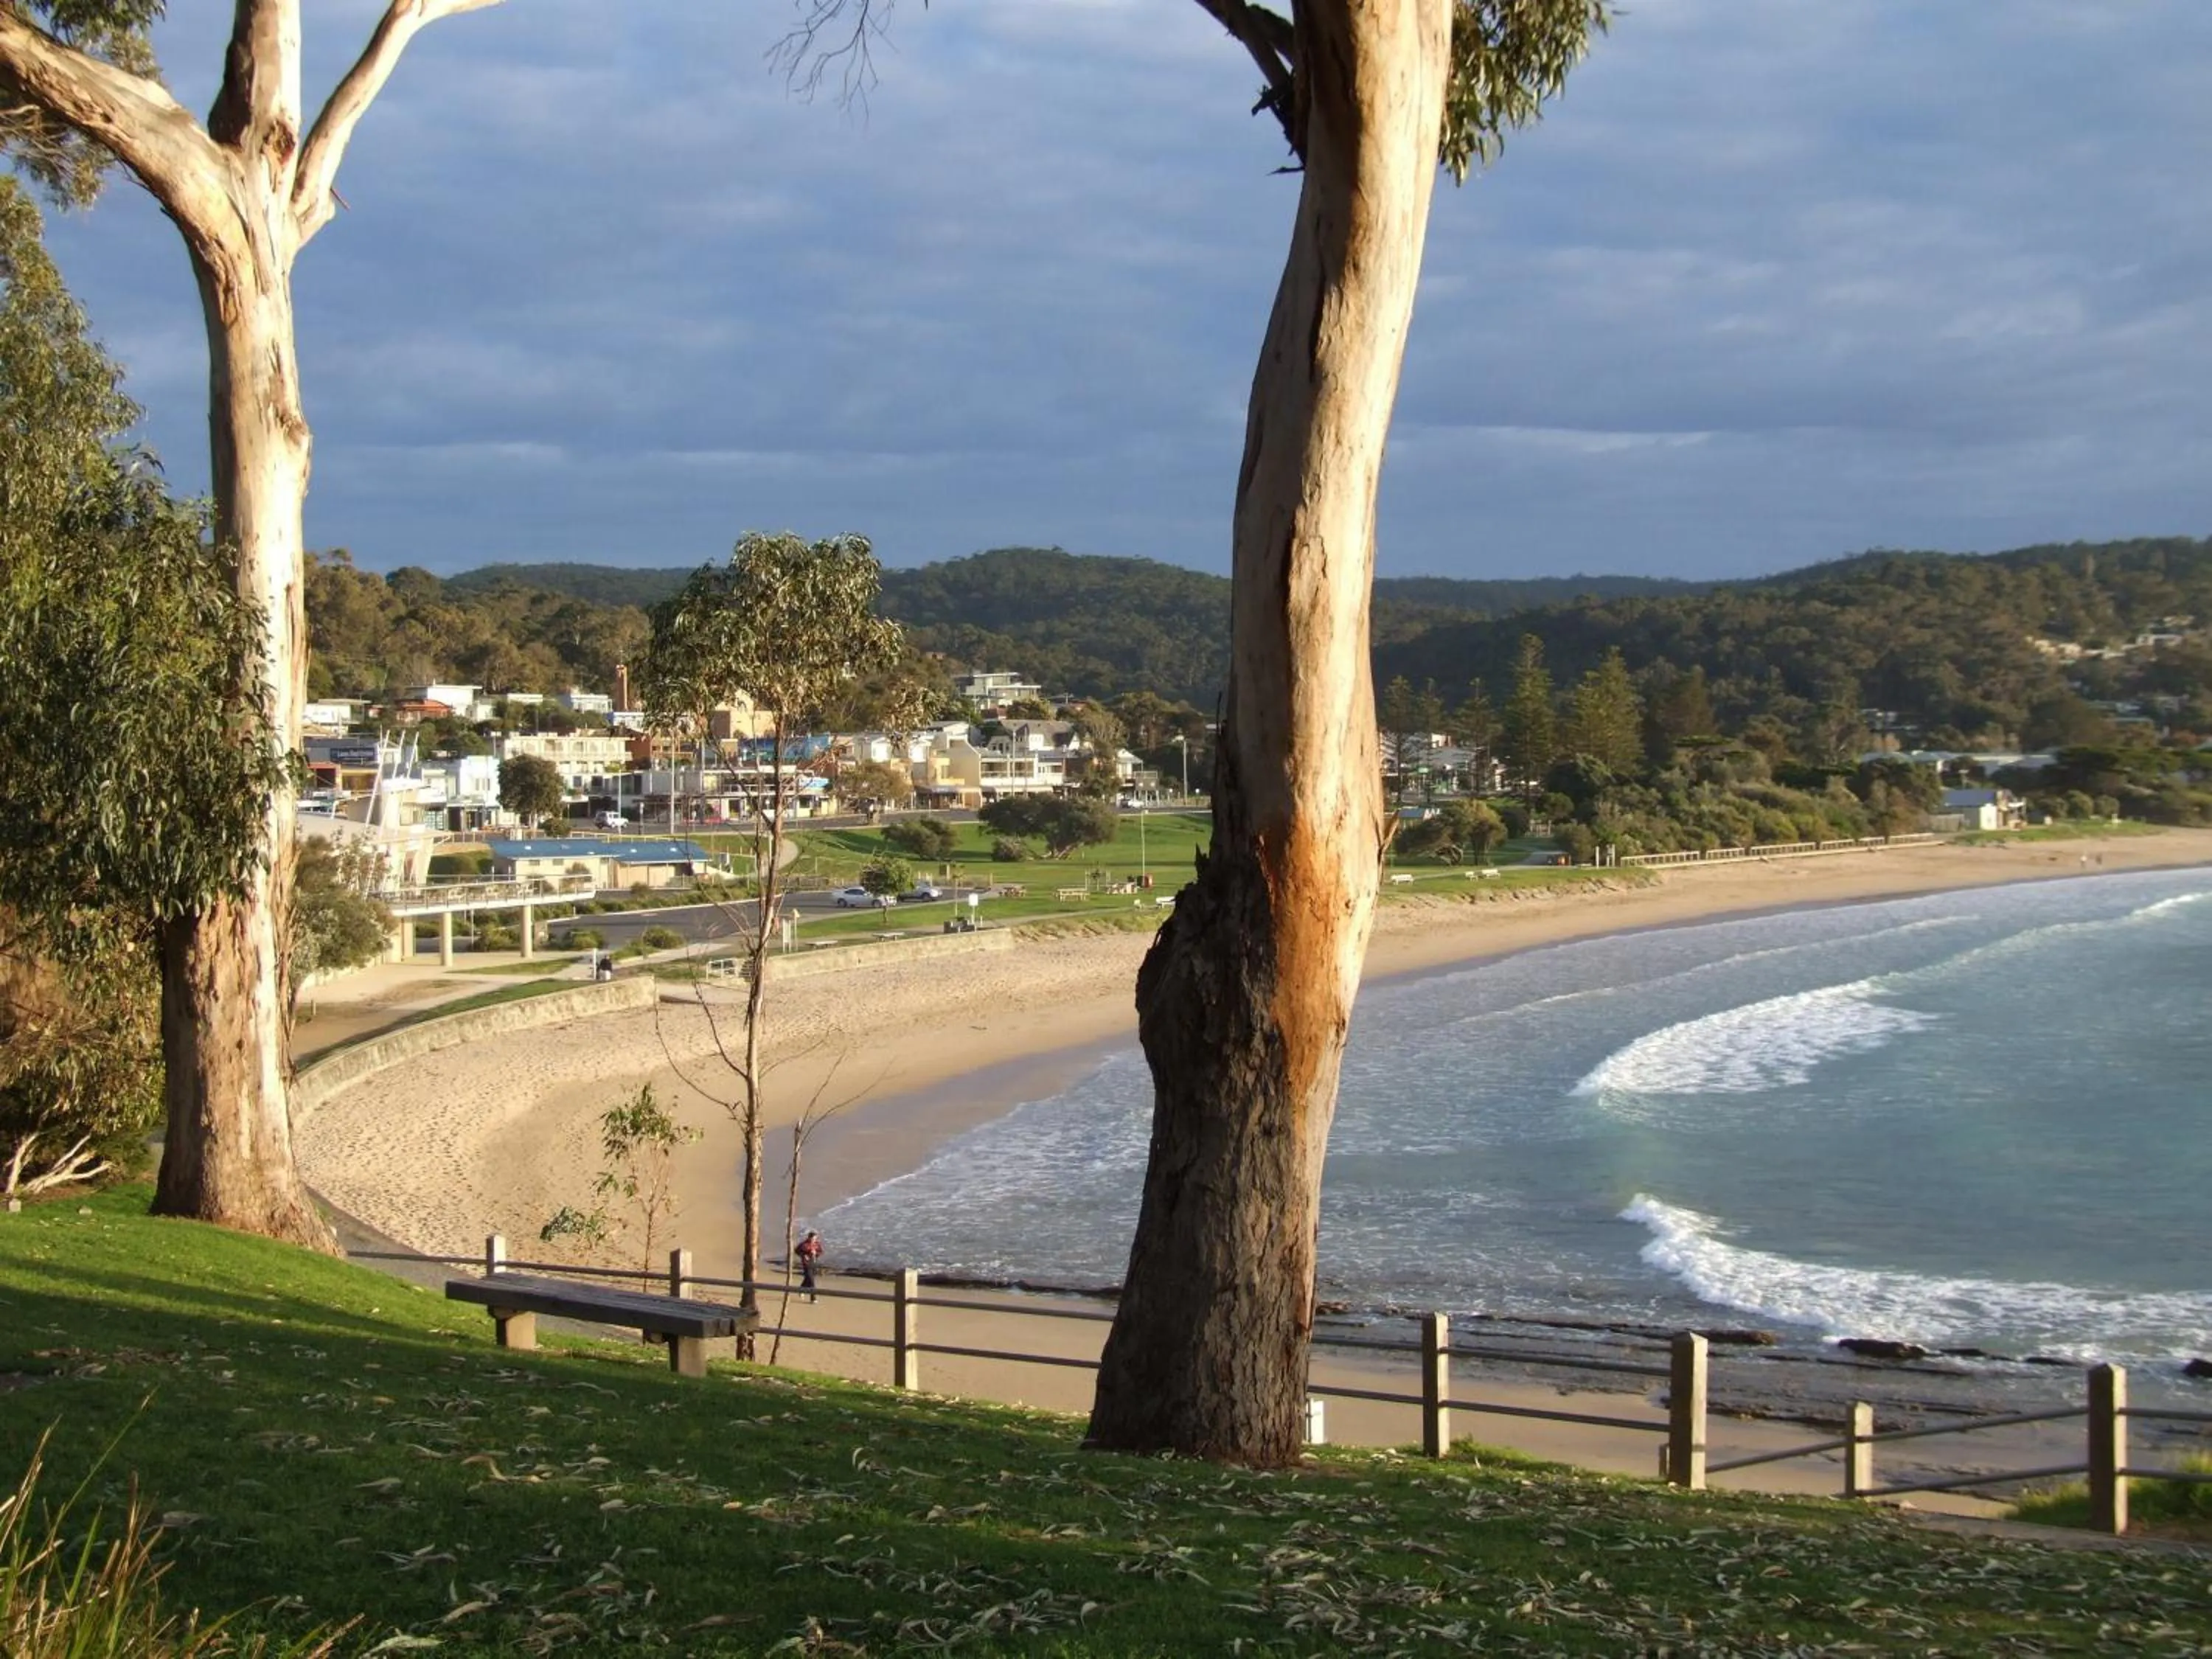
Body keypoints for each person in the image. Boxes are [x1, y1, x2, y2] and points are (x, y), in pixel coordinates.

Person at [796, 1229, 823, 1302]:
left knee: (808, 1279)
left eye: (815, 1239)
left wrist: (816, 1253)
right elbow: (797, 1251)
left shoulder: (817, 1244)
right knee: (812, 1282)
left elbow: (821, 1252)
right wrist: (804, 1255)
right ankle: (813, 1298)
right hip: (806, 1264)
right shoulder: (804, 1244)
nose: (814, 1240)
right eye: (813, 1239)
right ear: (809, 1238)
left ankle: (801, 1289)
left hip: (814, 1263)